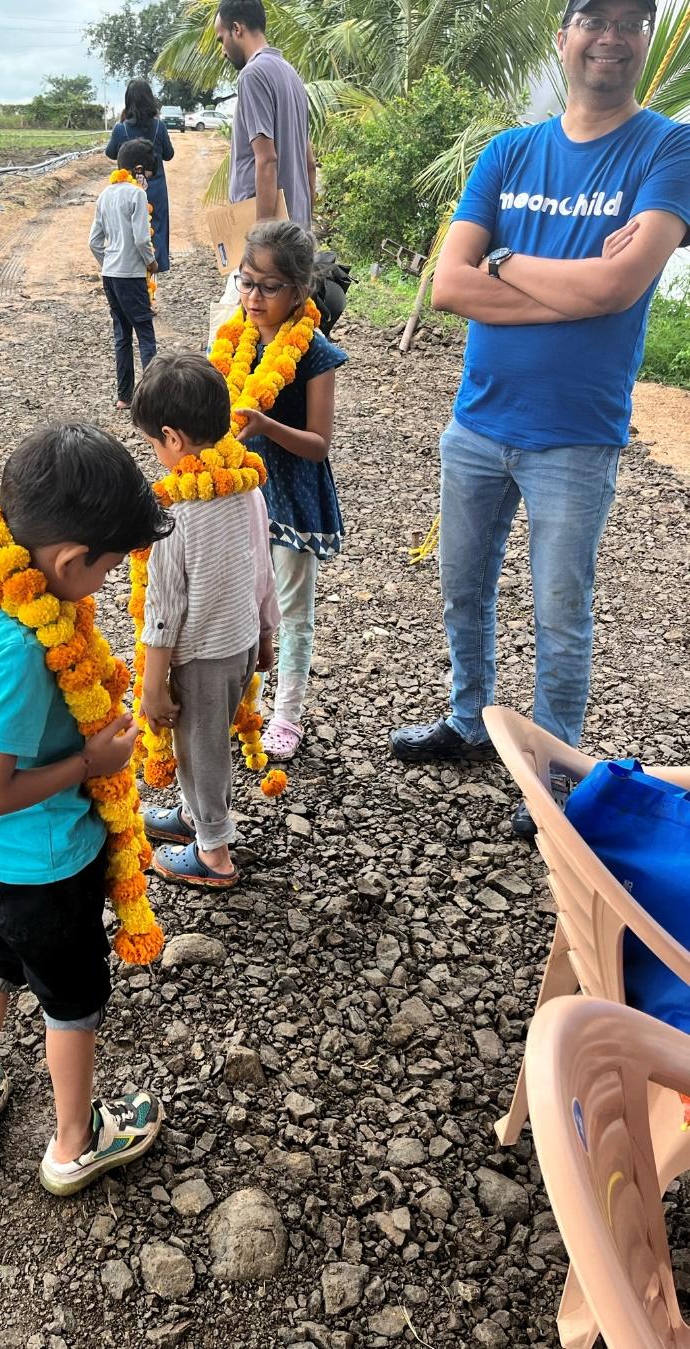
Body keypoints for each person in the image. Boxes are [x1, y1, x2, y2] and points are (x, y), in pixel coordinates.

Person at [389, 0, 690, 838]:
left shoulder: (668, 148)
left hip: (577, 433)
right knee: (463, 589)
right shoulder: (508, 152)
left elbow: (619, 287)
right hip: (478, 421)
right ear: (564, 38)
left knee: (561, 613)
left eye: (633, 20)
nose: (613, 35)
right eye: (594, 17)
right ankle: (467, 719)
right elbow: (448, 286)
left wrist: (507, 261)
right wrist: (579, 291)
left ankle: (554, 773)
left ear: (645, 39)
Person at [0, 424, 170, 1193]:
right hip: (49, 863)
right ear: (68, 562)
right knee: (71, 1000)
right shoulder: (27, 650)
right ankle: (73, 1141)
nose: (108, 581)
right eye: (108, 567)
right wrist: (89, 763)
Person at [132, 354, 279, 889]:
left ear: (172, 438)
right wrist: (266, 633)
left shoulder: (176, 514)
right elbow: (262, 567)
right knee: (208, 741)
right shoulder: (247, 488)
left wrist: (153, 685)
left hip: (200, 657)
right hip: (241, 642)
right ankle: (197, 818)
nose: (155, 452)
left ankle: (214, 852)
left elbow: (164, 610)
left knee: (200, 749)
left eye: (152, 442)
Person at [228, 221, 347, 761]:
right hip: (240, 494)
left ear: (299, 291)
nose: (253, 297)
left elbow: (318, 444)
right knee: (241, 603)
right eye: (246, 282)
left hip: (292, 496)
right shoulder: (236, 338)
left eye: (269, 287)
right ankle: (243, 704)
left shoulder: (315, 353)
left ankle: (287, 714)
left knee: (291, 610)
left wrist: (267, 425)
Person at [214, 0, 314, 228]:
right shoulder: (292, 75)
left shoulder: (253, 74)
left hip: (267, 229)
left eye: (222, 39)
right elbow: (309, 162)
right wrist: (304, 226)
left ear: (237, 29)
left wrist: (261, 236)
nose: (223, 51)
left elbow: (267, 159)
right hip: (295, 227)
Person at [90, 137, 159, 411]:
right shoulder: (137, 195)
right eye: (148, 174)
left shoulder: (105, 194)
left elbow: (94, 242)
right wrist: (151, 262)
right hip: (131, 276)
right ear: (138, 170)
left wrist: (109, 262)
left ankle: (125, 396)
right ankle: (152, 398)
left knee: (122, 335)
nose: (148, 180)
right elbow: (142, 239)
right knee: (146, 334)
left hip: (110, 276)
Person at [105, 79, 174, 274]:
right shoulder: (160, 127)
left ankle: (132, 268)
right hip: (156, 188)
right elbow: (169, 154)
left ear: (128, 101)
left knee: (129, 226)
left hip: (128, 187)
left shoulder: (121, 129)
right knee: (156, 227)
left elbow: (110, 153)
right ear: (150, 100)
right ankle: (155, 270)